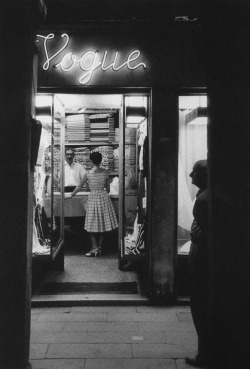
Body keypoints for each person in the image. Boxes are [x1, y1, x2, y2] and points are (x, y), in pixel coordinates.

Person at [65, 151, 118, 256]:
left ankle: (94, 247)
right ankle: (100, 247)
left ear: (91, 161)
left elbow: (79, 186)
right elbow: (107, 189)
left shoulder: (88, 174)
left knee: (90, 224)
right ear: (101, 160)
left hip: (93, 198)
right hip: (104, 198)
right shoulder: (106, 172)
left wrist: (71, 195)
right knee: (103, 223)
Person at [185, 160, 210, 368]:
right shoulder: (205, 196)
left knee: (200, 303)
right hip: (200, 252)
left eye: (196, 172)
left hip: (202, 256)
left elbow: (203, 230)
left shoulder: (204, 199)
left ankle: (205, 353)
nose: (191, 175)